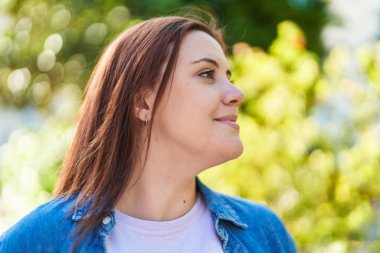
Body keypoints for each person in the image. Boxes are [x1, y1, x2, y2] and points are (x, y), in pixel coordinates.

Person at [0, 14, 297, 253]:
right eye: (207, 74)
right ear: (144, 102)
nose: (236, 93)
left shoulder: (263, 232)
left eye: (229, 78)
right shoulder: (40, 239)